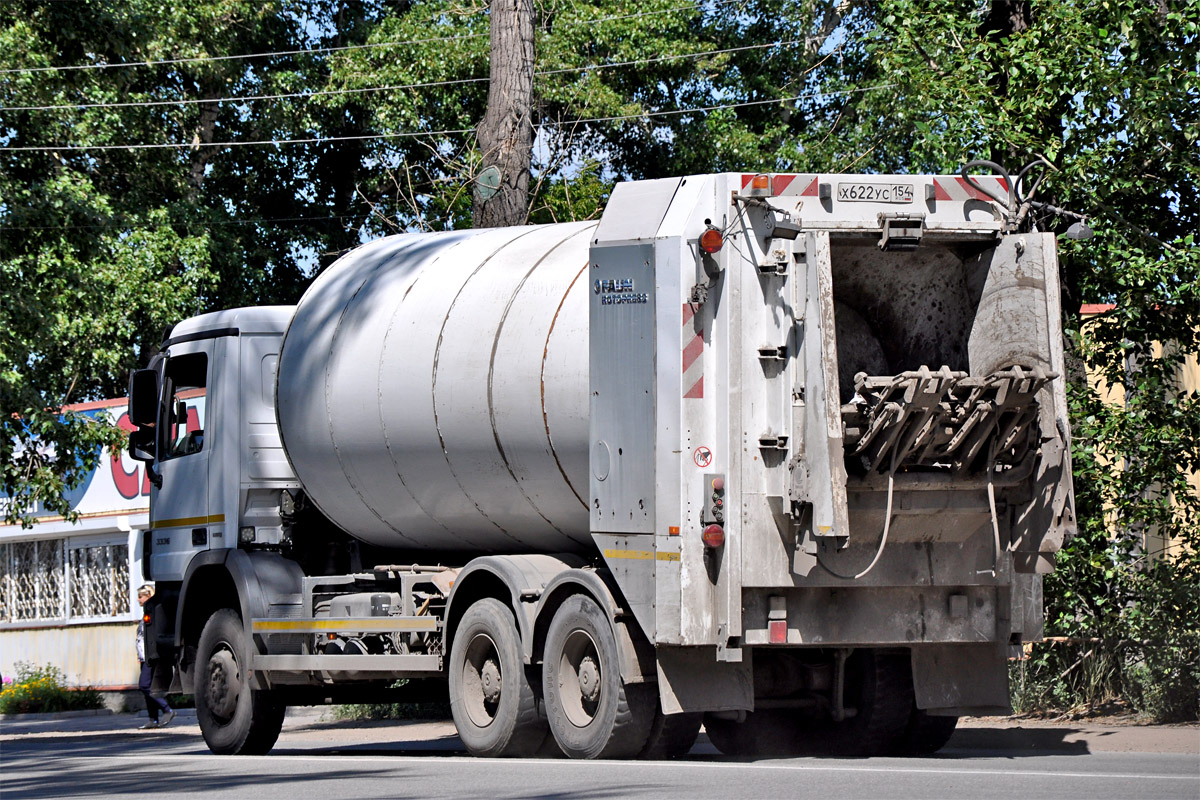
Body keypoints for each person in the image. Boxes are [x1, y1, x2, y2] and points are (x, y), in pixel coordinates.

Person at [136, 584, 176, 729]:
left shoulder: (153, 614)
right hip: (143, 657)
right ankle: (152, 719)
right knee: (149, 687)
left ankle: (167, 710)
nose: (138, 600)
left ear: (148, 597)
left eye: (140, 597)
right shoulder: (144, 616)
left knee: (144, 685)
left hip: (150, 657)